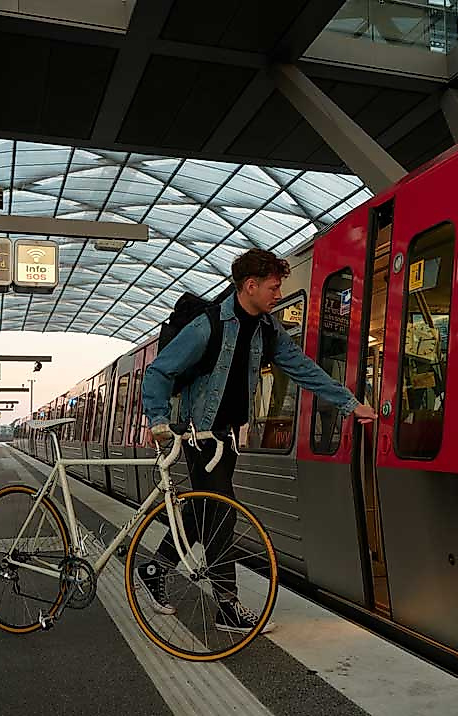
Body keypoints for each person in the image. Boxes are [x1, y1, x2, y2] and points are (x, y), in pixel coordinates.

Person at [140, 248, 377, 633]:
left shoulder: (267, 329)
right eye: (273, 286)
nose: (278, 293)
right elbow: (158, 372)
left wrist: (349, 404)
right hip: (201, 437)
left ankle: (154, 568)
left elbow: (302, 369)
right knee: (222, 514)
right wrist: (159, 420)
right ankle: (227, 608)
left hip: (227, 439)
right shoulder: (209, 325)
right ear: (249, 286)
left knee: (202, 515)